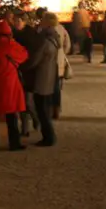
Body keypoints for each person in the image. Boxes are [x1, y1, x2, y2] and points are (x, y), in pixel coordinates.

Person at [0, 21, 28, 151]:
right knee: (11, 115)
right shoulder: (11, 45)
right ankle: (14, 143)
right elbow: (24, 55)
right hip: (10, 84)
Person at [24, 14, 61, 146]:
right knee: (44, 107)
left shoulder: (45, 41)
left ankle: (48, 137)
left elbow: (36, 59)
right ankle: (49, 136)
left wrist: (25, 66)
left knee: (41, 109)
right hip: (50, 76)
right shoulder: (55, 38)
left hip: (42, 77)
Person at [11, 11, 41, 137]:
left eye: (19, 21)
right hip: (17, 71)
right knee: (21, 101)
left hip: (29, 72)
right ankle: (25, 128)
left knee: (27, 101)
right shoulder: (13, 35)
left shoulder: (31, 35)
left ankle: (36, 120)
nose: (17, 24)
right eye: (15, 21)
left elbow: (34, 55)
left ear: (24, 22)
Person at [49, 13, 71, 119]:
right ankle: (56, 108)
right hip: (60, 60)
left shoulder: (44, 29)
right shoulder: (62, 29)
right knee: (57, 87)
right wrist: (63, 53)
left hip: (50, 62)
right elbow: (68, 44)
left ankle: (51, 108)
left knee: (50, 86)